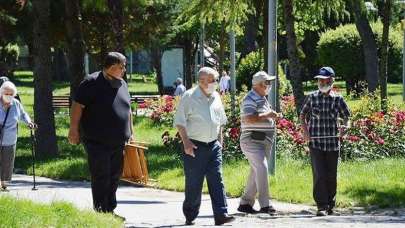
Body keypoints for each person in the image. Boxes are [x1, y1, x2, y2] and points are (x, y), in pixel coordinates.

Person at [68, 52, 133, 218]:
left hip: (118, 141)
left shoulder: (121, 83)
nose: (124, 69)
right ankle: (101, 211)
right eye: (121, 66)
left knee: (114, 175)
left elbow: (128, 109)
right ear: (111, 67)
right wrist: (73, 129)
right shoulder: (91, 82)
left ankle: (109, 209)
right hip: (97, 141)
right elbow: (77, 106)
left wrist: (131, 131)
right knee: (101, 175)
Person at [174, 67, 235, 226]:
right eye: (213, 80)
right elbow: (180, 122)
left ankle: (221, 214)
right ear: (202, 81)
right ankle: (190, 214)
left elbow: (220, 121)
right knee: (194, 183)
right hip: (195, 146)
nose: (215, 83)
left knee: (217, 179)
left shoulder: (216, 96)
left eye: (215, 80)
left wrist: (220, 142)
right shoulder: (189, 96)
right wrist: (186, 142)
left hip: (214, 146)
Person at [300, 66, 351, 216]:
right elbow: (302, 115)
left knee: (331, 175)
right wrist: (305, 132)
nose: (321, 82)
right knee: (319, 175)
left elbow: (348, 117)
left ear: (331, 80)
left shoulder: (338, 99)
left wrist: (345, 127)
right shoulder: (312, 97)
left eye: (324, 80)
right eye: (319, 80)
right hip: (315, 143)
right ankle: (321, 206)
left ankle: (330, 206)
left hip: (332, 143)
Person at [237, 71, 281, 215]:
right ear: (259, 85)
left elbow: (260, 116)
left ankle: (245, 203)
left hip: (262, 140)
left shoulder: (262, 98)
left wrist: (271, 116)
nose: (269, 85)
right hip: (252, 140)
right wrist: (268, 115)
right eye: (267, 83)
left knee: (256, 171)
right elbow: (249, 118)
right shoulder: (250, 98)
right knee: (262, 167)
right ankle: (265, 205)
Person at [0, 81, 34, 191]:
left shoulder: (16, 104)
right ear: (1, 93)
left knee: (8, 162)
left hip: (10, 139)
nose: (8, 96)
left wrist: (29, 122)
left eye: (11, 94)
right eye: (6, 93)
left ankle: (4, 183)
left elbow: (23, 114)